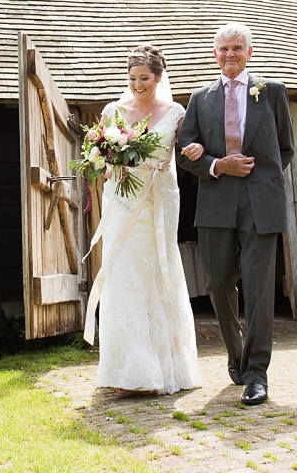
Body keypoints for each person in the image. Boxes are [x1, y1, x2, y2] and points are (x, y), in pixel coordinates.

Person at [176, 22, 295, 405]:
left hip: (261, 202)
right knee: (218, 283)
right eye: (224, 48)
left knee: (259, 289)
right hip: (215, 201)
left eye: (238, 48)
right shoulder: (200, 97)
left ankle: (257, 373)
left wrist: (260, 181)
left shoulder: (271, 92)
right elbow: (187, 149)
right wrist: (216, 165)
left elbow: (285, 150)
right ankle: (236, 354)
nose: (231, 54)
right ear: (215, 54)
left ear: (250, 52)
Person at [83, 44, 202, 396]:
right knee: (125, 277)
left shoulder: (176, 112)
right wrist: (108, 169)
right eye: (132, 78)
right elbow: (95, 157)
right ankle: (131, 371)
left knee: (159, 274)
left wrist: (194, 151)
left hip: (160, 201)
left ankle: (168, 366)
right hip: (123, 203)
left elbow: (193, 148)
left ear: (158, 77)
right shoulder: (113, 111)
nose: (137, 85)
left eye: (144, 78)